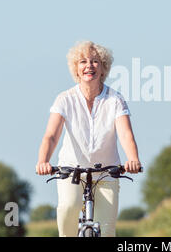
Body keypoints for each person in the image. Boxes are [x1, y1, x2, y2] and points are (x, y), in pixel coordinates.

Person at [36, 40, 142, 237]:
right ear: (76, 69)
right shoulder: (65, 99)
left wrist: (133, 159)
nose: (89, 66)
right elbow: (51, 136)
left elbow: (126, 134)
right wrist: (43, 161)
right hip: (72, 171)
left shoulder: (115, 99)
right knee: (68, 207)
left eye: (95, 61)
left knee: (107, 229)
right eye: (83, 62)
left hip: (107, 172)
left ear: (103, 68)